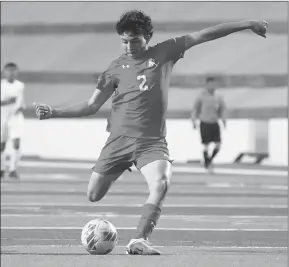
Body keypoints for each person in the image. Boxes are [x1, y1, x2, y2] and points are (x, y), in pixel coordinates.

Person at [34, 10, 268, 255]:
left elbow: (204, 35)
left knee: (162, 182)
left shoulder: (165, 51)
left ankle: (139, 239)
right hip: (119, 141)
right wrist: (54, 111)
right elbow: (91, 105)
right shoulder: (115, 68)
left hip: (152, 142)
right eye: (124, 41)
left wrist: (248, 24)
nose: (129, 46)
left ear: (147, 36)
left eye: (134, 40)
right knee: (93, 195)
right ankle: (123, 167)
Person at [191, 77, 226, 171]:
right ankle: (208, 164)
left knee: (218, 145)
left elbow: (222, 109)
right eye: (210, 84)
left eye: (213, 84)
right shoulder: (201, 96)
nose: (212, 86)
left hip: (214, 122)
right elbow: (195, 109)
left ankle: (209, 161)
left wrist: (224, 120)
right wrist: (193, 121)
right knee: (206, 145)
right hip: (204, 123)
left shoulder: (218, 97)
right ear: (207, 85)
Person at [1, 62, 25, 179]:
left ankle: (12, 169)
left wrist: (20, 106)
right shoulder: (1, 86)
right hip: (2, 116)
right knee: (2, 144)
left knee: (16, 142)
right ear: (4, 72)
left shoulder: (20, 85)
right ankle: (1, 168)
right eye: (9, 71)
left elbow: (20, 101)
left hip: (15, 117)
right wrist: (7, 102)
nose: (11, 73)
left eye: (13, 71)